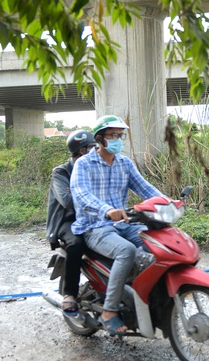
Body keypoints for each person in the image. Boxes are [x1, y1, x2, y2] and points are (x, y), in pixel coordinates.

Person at [70, 114, 165, 335]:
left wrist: (167, 203)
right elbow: (81, 194)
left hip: (124, 224)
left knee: (157, 246)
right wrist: (106, 210)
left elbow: (145, 188)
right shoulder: (84, 164)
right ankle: (109, 311)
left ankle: (144, 298)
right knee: (127, 250)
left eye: (120, 136)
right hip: (94, 226)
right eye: (113, 135)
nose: (118, 140)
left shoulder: (124, 163)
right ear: (100, 139)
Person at [46, 129, 98, 315]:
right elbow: (66, 201)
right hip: (67, 221)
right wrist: (92, 200)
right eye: (93, 148)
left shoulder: (95, 168)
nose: (97, 151)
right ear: (83, 151)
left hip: (93, 217)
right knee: (76, 244)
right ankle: (70, 294)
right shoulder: (61, 172)